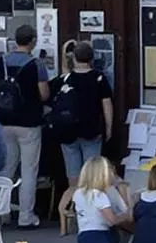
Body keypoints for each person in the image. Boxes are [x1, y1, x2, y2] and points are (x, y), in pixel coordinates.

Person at [0, 22, 53, 228]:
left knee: (7, 168)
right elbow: (44, 94)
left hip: (5, 120)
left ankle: (1, 213)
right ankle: (26, 217)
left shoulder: (1, 62)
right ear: (33, 42)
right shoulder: (36, 65)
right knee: (29, 171)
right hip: (29, 123)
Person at [47, 39, 114, 182]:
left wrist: (65, 50)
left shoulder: (65, 79)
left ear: (74, 58)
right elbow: (107, 105)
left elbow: (64, 72)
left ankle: (75, 200)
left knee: (73, 176)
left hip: (67, 130)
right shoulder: (99, 78)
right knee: (91, 175)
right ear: (92, 58)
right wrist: (108, 127)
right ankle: (89, 202)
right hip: (91, 129)